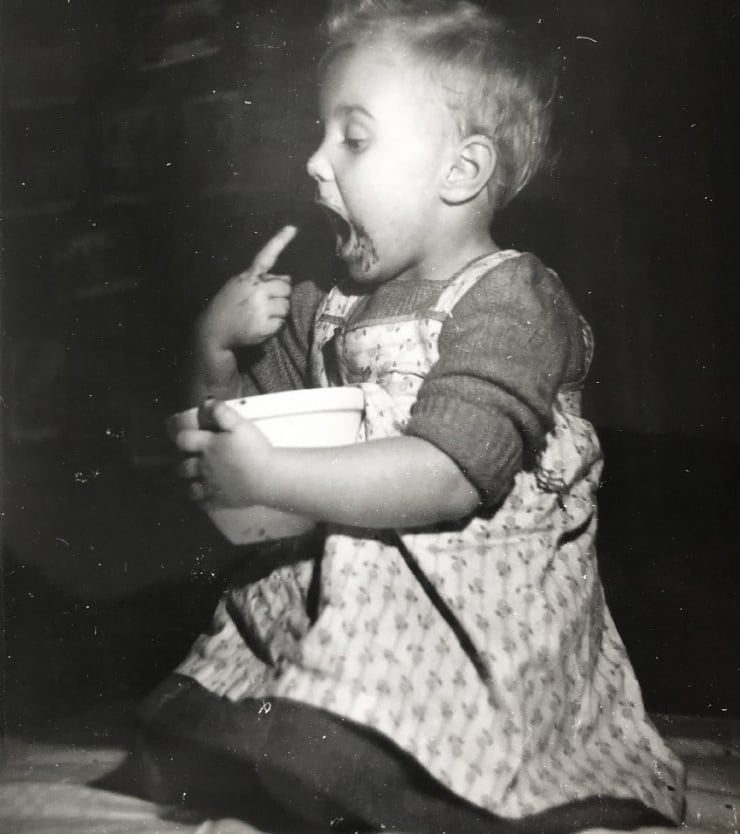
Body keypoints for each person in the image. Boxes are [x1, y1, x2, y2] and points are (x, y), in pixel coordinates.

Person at [131, 1, 686, 831]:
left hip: (475, 624)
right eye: (319, 134)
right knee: (190, 742)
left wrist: (274, 475)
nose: (315, 163)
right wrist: (214, 351)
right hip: (351, 606)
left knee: (375, 758)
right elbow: (248, 444)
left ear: (460, 172)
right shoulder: (330, 305)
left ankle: (395, 779)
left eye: (352, 138)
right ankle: (300, 748)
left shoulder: (514, 299)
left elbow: (449, 476)